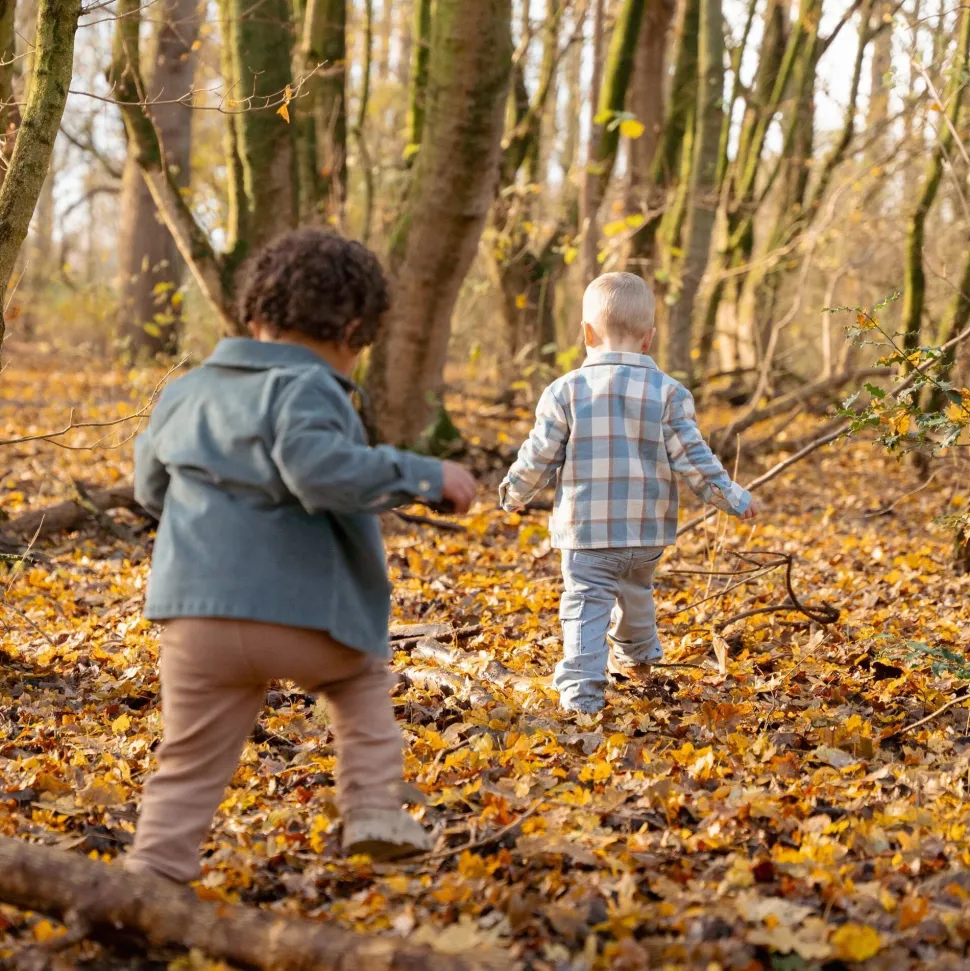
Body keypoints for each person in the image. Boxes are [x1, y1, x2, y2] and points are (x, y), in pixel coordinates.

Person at [126, 229, 477, 883]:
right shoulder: (310, 389)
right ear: (353, 329)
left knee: (189, 757)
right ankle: (371, 808)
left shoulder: (186, 390)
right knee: (361, 681)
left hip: (194, 617)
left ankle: (153, 872)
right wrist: (424, 474)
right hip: (305, 616)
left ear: (255, 314)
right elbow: (318, 469)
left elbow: (149, 488)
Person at [499, 272, 759, 714]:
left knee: (586, 603)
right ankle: (640, 659)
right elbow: (694, 459)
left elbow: (539, 454)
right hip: (646, 533)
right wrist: (734, 497)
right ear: (649, 339)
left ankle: (582, 692)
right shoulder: (669, 394)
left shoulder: (564, 391)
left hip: (586, 533)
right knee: (637, 591)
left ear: (586, 333)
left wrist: (515, 491)